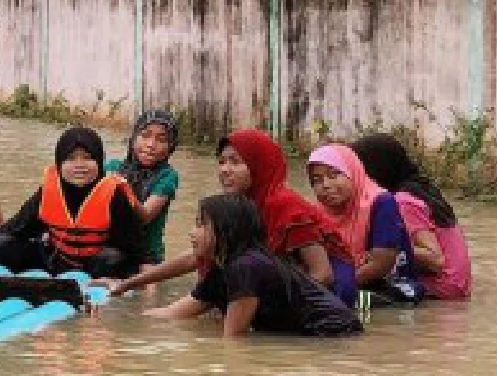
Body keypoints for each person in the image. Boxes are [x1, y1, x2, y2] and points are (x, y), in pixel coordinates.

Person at [108, 129, 354, 303]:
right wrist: (128, 284)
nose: (225, 170)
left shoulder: (286, 207)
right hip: (285, 285)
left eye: (236, 162)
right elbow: (196, 257)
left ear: (259, 165)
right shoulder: (232, 207)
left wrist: (262, 307)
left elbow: (322, 274)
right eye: (222, 162)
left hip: (329, 293)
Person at [147, 194, 362, 338]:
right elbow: (174, 312)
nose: (192, 233)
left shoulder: (245, 266)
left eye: (201, 224)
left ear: (227, 230)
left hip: (332, 334)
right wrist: (128, 325)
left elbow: (233, 340)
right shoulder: (224, 268)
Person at [0, 126, 144, 278]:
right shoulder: (49, 191)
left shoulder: (115, 194)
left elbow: (135, 251)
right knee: (0, 244)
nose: (79, 165)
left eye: (88, 158)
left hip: (94, 268)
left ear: (100, 161)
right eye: (70, 158)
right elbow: (10, 230)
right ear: (59, 163)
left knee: (111, 258)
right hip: (55, 261)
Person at [352, 132, 473, 300]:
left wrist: (381, 249)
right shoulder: (423, 189)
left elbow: (435, 259)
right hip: (458, 287)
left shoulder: (404, 201)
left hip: (441, 289)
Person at [306, 143, 421, 304]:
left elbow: (381, 265)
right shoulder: (315, 211)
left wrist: (340, 285)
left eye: (334, 175)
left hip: (389, 285)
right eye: (317, 180)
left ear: (352, 173)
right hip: (338, 283)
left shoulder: (382, 202)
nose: (325, 185)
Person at [107, 110, 181, 265]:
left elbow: (145, 216)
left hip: (146, 257)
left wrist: (123, 188)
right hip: (110, 249)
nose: (150, 145)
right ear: (134, 138)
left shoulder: (167, 176)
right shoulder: (112, 167)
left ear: (171, 146)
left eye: (161, 140)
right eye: (145, 135)